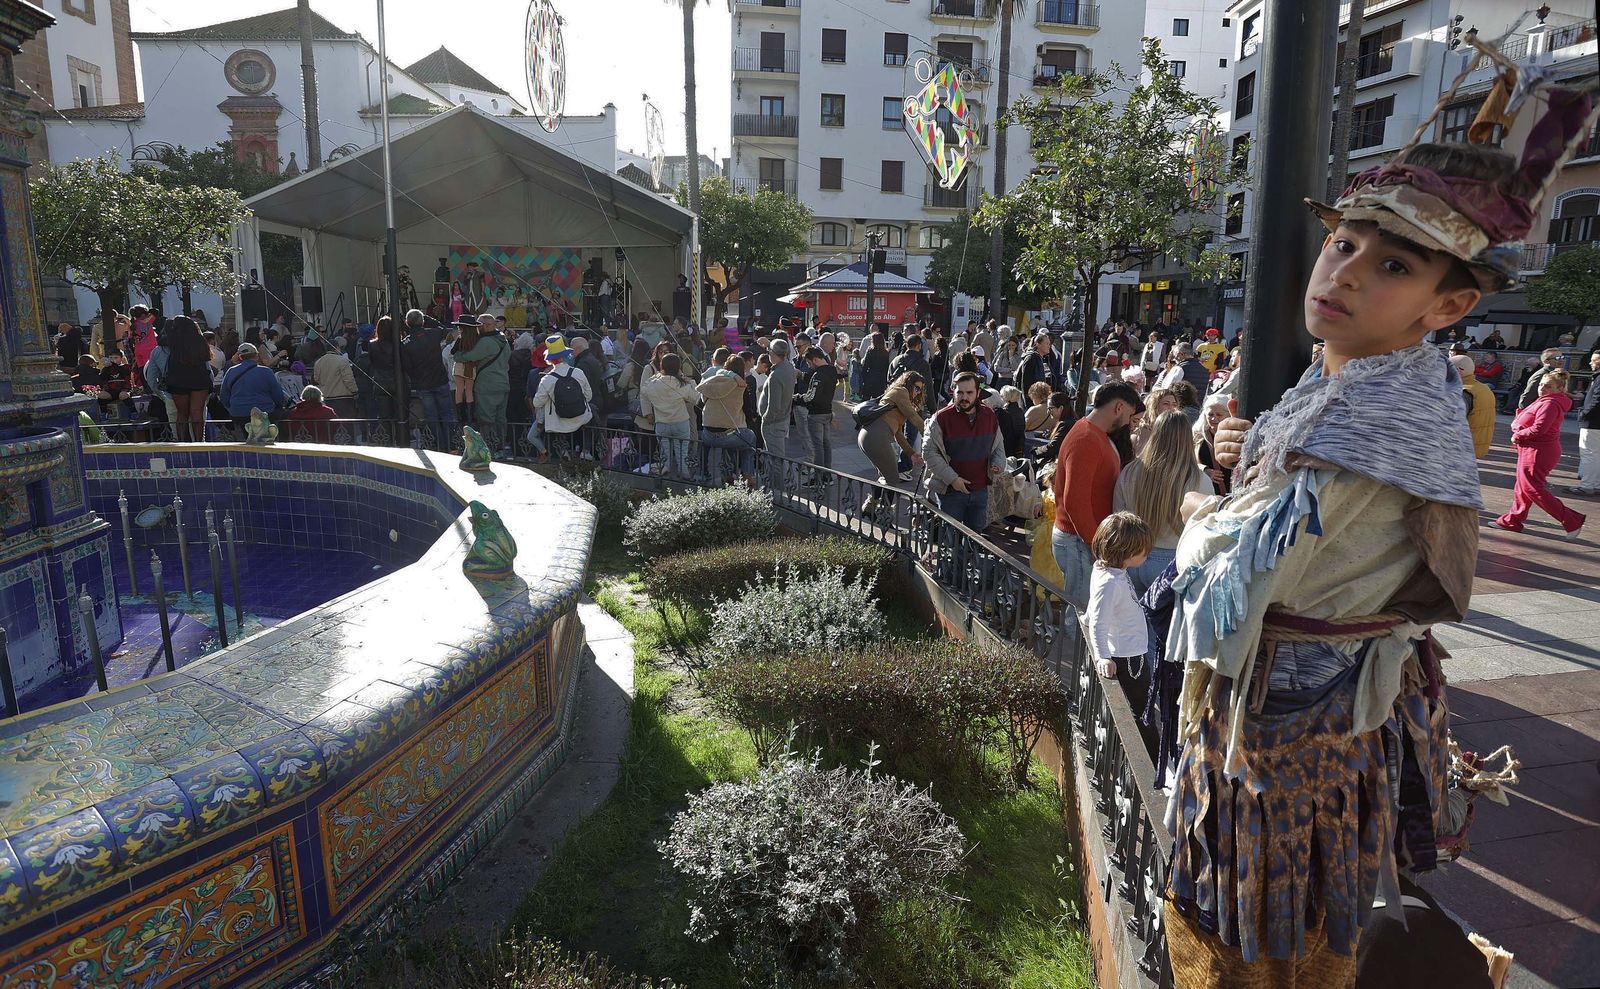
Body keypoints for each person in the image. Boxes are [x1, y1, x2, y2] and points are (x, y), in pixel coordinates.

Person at [1164, 117, 1572, 984]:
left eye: (1392, 265)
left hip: (1292, 739)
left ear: (1449, 305)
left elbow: (1243, 576)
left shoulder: (1374, 414)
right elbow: (1290, 491)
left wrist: (1196, 503)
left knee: (1268, 940)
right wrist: (1239, 452)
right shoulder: (1353, 375)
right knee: (1275, 922)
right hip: (1311, 721)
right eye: (1342, 244)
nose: (1343, 272)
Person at [1050, 381, 1142, 614]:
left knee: (1087, 610)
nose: (1130, 422)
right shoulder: (1087, 438)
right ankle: (1075, 651)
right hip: (1079, 541)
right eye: (1130, 415)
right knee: (1083, 612)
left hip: (1081, 539)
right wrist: (1094, 543)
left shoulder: (1092, 433)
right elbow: (1074, 501)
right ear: (1119, 407)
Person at [1114, 410, 1211, 593]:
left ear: (1155, 434)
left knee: (1135, 619)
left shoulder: (1130, 471)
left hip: (1132, 558)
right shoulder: (1199, 480)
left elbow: (1118, 516)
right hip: (1173, 564)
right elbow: (1206, 530)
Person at [1494, 370, 1584, 537]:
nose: (1543, 388)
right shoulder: (1546, 400)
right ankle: (1513, 520)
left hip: (1538, 451)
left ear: (1560, 388)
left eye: (1549, 386)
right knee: (1523, 487)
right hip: (1532, 449)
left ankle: (1571, 519)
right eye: (1542, 385)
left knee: (1533, 488)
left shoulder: (1550, 403)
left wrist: (1518, 434)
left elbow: (1539, 428)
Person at [923, 372, 1007, 531]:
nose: (964, 397)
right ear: (953, 392)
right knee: (950, 539)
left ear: (977, 393)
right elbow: (929, 453)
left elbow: (998, 445)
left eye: (969, 392)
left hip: (981, 490)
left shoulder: (989, 415)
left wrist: (998, 463)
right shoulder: (941, 418)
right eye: (960, 392)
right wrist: (953, 479)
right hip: (950, 492)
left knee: (975, 539)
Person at [1086, 512, 1152, 680]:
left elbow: (1096, 605)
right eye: (1145, 552)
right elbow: (1098, 622)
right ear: (1130, 553)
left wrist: (1087, 617)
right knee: (1138, 703)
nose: (1147, 555)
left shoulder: (1110, 570)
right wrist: (1103, 657)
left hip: (1131, 650)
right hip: (1126, 657)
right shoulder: (1110, 582)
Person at [858, 371, 927, 512]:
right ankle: (884, 512)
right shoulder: (901, 391)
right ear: (908, 383)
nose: (918, 392)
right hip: (877, 435)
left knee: (886, 475)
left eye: (920, 390)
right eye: (916, 388)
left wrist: (911, 453)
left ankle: (870, 507)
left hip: (870, 435)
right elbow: (913, 416)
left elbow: (899, 434)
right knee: (893, 478)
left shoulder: (898, 397)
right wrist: (930, 434)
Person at [452, 314, 511, 452]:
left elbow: (469, 356)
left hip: (487, 386)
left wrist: (457, 356)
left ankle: (489, 449)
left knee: (486, 420)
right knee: (501, 419)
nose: (477, 328)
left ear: (486, 325)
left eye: (479, 325)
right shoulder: (503, 340)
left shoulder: (486, 342)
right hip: (503, 383)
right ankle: (501, 447)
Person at [697, 353, 757, 487]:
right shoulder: (740, 385)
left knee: (730, 441)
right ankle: (747, 474)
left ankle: (728, 474)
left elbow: (701, 401)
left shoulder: (711, 381)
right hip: (729, 434)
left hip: (707, 434)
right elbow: (748, 411)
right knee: (749, 439)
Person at [640, 352, 700, 481]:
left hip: (661, 423)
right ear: (678, 367)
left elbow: (643, 390)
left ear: (662, 366)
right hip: (681, 422)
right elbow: (696, 398)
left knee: (665, 455)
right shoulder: (681, 384)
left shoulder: (653, 383)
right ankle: (685, 477)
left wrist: (655, 376)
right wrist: (691, 381)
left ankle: (665, 481)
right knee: (682, 453)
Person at [532, 335, 592, 461]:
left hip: (558, 423)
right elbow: (589, 396)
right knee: (592, 417)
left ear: (549, 360)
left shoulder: (546, 379)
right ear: (566, 355)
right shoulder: (578, 372)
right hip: (581, 418)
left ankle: (563, 452)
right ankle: (585, 451)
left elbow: (537, 403)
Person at [403, 309, 456, 449]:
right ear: (422, 321)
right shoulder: (433, 334)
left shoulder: (406, 342)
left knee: (431, 417)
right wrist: (427, 318)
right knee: (447, 414)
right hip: (440, 380)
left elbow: (406, 366)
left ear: (407, 323)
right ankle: (452, 445)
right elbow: (444, 329)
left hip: (422, 384)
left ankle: (440, 446)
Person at [163, 315, 215, 442]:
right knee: (197, 412)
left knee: (182, 413)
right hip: (199, 377)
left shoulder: (173, 341)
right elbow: (207, 357)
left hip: (178, 378)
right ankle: (198, 442)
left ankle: (182, 442)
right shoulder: (199, 340)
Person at [219, 342, 288, 431]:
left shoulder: (231, 371)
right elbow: (278, 395)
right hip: (264, 412)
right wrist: (278, 407)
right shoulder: (266, 371)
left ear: (240, 357)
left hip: (239, 414)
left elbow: (224, 396)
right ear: (256, 356)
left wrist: (234, 408)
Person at [758, 338, 797, 470]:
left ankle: (779, 488)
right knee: (777, 458)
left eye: (769, 351)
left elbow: (774, 406)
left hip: (773, 423)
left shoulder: (777, 374)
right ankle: (780, 485)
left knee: (776, 461)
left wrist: (765, 419)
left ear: (773, 354)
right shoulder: (788, 366)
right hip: (781, 419)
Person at [1449, 353, 1496, 459]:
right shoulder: (1483, 388)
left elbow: (1450, 422)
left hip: (1458, 449)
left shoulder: (1463, 392)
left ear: (1458, 370)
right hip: (1475, 446)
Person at [799, 347, 837, 471]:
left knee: (818, 446)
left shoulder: (819, 374)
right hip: (827, 411)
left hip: (816, 414)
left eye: (809, 363)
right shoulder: (832, 370)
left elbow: (812, 397)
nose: (809, 366)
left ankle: (819, 476)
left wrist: (797, 398)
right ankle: (827, 475)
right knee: (826, 444)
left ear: (815, 360)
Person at [1573, 350, 1600, 495]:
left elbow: (1597, 400)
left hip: (1593, 422)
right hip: (1595, 422)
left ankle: (1587, 485)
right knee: (1596, 454)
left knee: (1589, 453)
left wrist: (1584, 414)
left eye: (1593, 360)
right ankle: (1595, 483)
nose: (1590, 363)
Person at [1018, 332, 1063, 397]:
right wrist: (1028, 400)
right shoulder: (1031, 358)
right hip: (1034, 398)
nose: (1049, 346)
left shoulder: (1046, 359)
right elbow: (1026, 382)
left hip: (1044, 397)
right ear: (1038, 344)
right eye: (1047, 343)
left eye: (1049, 344)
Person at [858, 331, 891, 400]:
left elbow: (866, 365)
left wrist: (864, 378)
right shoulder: (885, 353)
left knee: (865, 399)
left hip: (870, 377)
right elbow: (886, 367)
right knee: (877, 401)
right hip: (880, 379)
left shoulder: (870, 351)